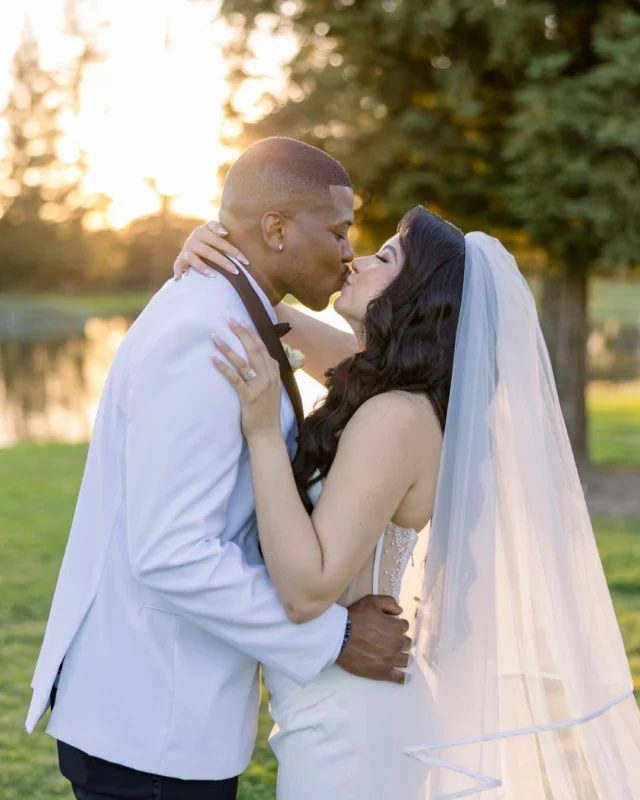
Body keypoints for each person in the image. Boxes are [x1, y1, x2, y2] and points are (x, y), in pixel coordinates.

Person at [178, 205, 640, 799]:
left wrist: (264, 432)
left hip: (354, 721)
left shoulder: (395, 416)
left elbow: (306, 589)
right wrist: (211, 251)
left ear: (416, 297)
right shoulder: (384, 389)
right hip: (339, 702)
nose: (357, 259)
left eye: (386, 256)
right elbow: (270, 311)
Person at [25, 138, 411, 800]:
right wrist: (335, 636)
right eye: (340, 231)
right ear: (277, 229)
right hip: (151, 723)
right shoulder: (204, 332)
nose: (350, 251)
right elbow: (171, 552)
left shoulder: (236, 311)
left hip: (171, 720)